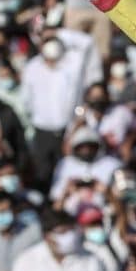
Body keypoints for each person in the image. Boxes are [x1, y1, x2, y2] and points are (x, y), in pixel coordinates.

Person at [21, 36, 86, 193]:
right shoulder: (32, 68)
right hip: (41, 129)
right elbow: (26, 99)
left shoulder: (71, 66)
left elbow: (77, 97)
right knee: (42, 170)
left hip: (66, 130)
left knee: (65, 170)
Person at [10, 209, 106, 271]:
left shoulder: (90, 259)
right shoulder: (27, 261)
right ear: (47, 236)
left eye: (71, 231)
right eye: (62, 232)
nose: (70, 237)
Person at [49, 126, 122, 203]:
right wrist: (67, 192)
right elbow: (55, 198)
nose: (86, 151)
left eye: (90, 146)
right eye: (82, 147)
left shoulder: (112, 164)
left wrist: (107, 192)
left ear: (98, 146)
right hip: (71, 208)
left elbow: (123, 198)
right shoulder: (65, 164)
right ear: (75, 148)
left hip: (104, 207)